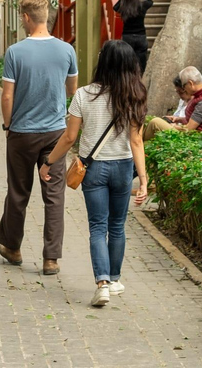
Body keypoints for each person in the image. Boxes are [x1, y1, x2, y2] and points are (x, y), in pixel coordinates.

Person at [39, 40, 148, 307]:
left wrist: (49, 162)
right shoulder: (136, 94)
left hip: (93, 168)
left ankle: (101, 284)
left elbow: (69, 137)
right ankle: (113, 279)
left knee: (98, 226)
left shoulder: (84, 94)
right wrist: (143, 179)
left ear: (103, 62)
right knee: (116, 226)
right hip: (123, 168)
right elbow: (136, 141)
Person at [0, 0, 78, 276]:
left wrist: (8, 125)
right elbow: (71, 91)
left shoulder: (15, 52)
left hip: (21, 133)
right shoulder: (66, 51)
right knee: (54, 196)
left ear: (27, 18)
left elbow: (7, 96)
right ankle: (51, 259)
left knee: (18, 193)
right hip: (55, 133)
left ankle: (13, 247)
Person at [143, 66, 202, 141]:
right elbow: (196, 120)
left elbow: (188, 129)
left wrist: (175, 127)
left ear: (190, 83)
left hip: (194, 140)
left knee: (155, 122)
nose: (184, 89)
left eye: (184, 86)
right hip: (193, 135)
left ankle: (137, 143)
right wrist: (178, 119)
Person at [114, 0, 153, 74]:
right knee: (141, 62)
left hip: (127, 36)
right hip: (140, 36)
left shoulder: (124, 7)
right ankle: (139, 79)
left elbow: (115, 7)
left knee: (127, 61)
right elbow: (150, 1)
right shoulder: (142, 5)